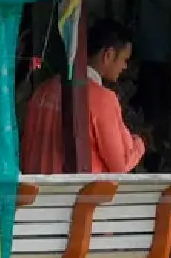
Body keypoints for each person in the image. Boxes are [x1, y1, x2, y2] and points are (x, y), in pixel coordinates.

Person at [19, 19, 147, 174]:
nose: (125, 66)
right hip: (80, 195)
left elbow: (26, 150)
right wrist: (139, 145)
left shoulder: (43, 91)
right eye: (124, 59)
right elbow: (119, 165)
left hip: (39, 193)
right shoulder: (103, 99)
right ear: (108, 54)